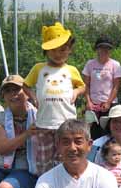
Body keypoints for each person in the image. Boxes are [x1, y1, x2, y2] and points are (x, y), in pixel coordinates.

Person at [23, 22, 85, 175]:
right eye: (54, 50)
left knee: (65, 158)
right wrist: (33, 97)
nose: (58, 54)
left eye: (63, 49)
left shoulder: (71, 70)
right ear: (46, 51)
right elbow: (25, 85)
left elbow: (82, 86)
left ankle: (65, 184)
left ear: (69, 50)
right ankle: (44, 184)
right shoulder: (38, 68)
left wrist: (76, 92)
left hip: (66, 122)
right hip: (44, 123)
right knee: (44, 160)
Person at [82, 36, 121, 140]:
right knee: (93, 134)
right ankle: (94, 150)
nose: (105, 50)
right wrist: (88, 102)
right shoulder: (90, 64)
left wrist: (108, 102)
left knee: (109, 133)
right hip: (93, 105)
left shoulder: (115, 65)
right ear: (97, 49)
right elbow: (86, 85)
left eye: (107, 48)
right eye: (102, 47)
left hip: (109, 104)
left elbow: (116, 86)